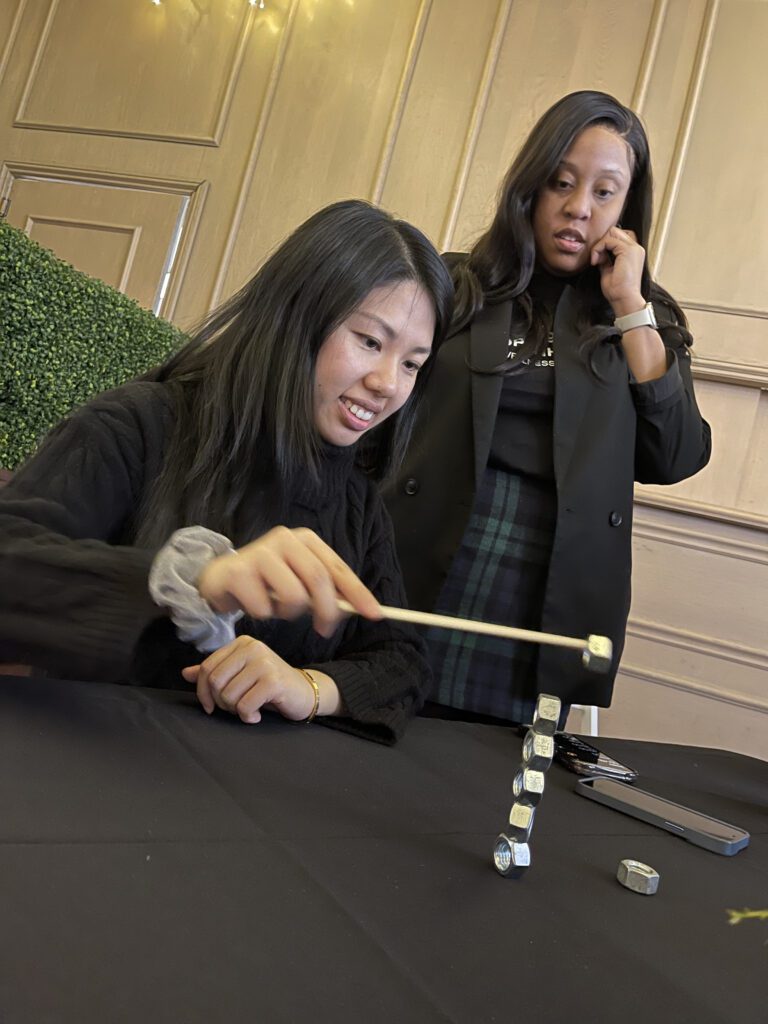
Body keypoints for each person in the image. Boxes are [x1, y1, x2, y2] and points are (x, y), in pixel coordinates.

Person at [0, 199, 454, 744]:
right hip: (94, 764)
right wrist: (194, 583)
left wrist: (306, 686)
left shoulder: (358, 503)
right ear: (297, 319)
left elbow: (403, 660)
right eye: (370, 341)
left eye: (411, 363)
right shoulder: (142, 424)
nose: (388, 383)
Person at [384, 90, 711, 727]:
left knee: (491, 787)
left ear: (627, 208)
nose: (578, 207)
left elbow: (674, 456)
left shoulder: (645, 318)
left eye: (604, 192)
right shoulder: (454, 284)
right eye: (561, 181)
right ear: (531, 185)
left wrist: (631, 309)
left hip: (549, 588)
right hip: (418, 556)